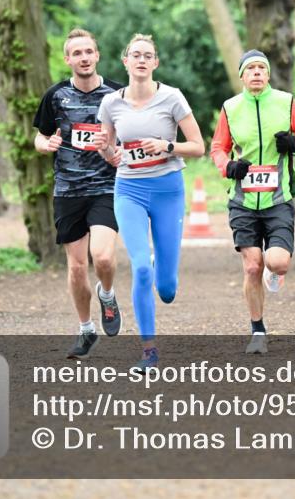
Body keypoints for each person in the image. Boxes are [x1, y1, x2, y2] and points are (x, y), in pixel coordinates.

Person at [96, 34, 205, 371]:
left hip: (168, 191)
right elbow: (110, 153)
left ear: (155, 63)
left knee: (167, 289)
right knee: (141, 268)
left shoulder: (172, 97)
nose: (141, 60)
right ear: (125, 62)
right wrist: (105, 149)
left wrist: (167, 146)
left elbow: (198, 146)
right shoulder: (111, 104)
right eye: (136, 55)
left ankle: (162, 265)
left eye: (148, 55)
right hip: (129, 190)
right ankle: (148, 350)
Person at [210, 50, 295, 354]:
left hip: (278, 198)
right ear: (242, 76)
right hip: (242, 200)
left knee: (277, 262)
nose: (256, 72)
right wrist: (228, 167)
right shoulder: (231, 107)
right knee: (252, 266)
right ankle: (257, 331)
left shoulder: (285, 102)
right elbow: (218, 147)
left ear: (268, 74)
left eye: (261, 68)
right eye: (250, 68)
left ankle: (274, 269)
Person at [33, 28, 124, 359]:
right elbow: (40, 137)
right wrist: (47, 145)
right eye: (77, 53)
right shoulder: (56, 95)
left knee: (102, 257)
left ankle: (107, 295)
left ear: (97, 55)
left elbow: (130, 139)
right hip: (68, 190)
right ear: (67, 59)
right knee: (75, 267)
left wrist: (116, 151)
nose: (84, 58)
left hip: (106, 187)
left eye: (88, 52)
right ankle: (86, 329)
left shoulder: (117, 94)